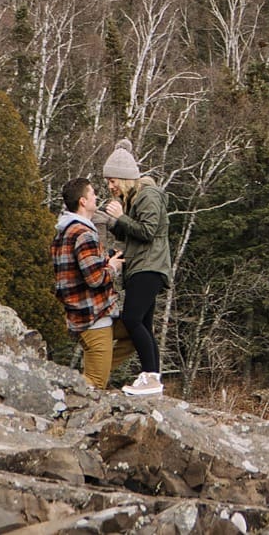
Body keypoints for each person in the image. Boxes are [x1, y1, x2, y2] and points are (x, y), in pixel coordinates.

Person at [102, 139, 170, 398]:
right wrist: (114, 222)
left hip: (149, 267)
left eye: (112, 181)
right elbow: (131, 232)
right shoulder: (132, 199)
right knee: (144, 322)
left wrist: (120, 218)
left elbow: (148, 231)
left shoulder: (148, 195)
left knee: (131, 319)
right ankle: (152, 379)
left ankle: (151, 377)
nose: (110, 186)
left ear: (124, 178)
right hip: (140, 266)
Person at [51, 177, 124, 390]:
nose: (96, 197)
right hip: (93, 317)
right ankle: (55, 396)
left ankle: (96, 368)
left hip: (82, 315)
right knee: (94, 383)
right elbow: (95, 279)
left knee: (134, 333)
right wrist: (113, 267)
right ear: (83, 201)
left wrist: (106, 258)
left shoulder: (65, 231)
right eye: (92, 193)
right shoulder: (84, 234)